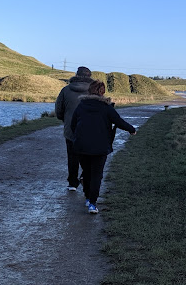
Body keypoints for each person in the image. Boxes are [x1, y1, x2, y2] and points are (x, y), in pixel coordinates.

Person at [71, 80, 136, 214]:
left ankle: (88, 197)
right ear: (103, 92)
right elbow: (119, 121)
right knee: (96, 175)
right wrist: (131, 129)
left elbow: (73, 124)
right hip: (100, 147)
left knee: (87, 173)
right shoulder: (106, 107)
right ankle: (92, 204)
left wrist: (78, 137)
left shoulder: (81, 106)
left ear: (89, 91)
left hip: (81, 146)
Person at [55, 66, 93, 191]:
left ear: (76, 75)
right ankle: (84, 176)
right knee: (89, 155)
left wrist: (65, 120)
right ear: (89, 76)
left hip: (70, 129)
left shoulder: (65, 90)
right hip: (89, 129)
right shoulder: (94, 91)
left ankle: (72, 183)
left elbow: (58, 110)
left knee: (72, 156)